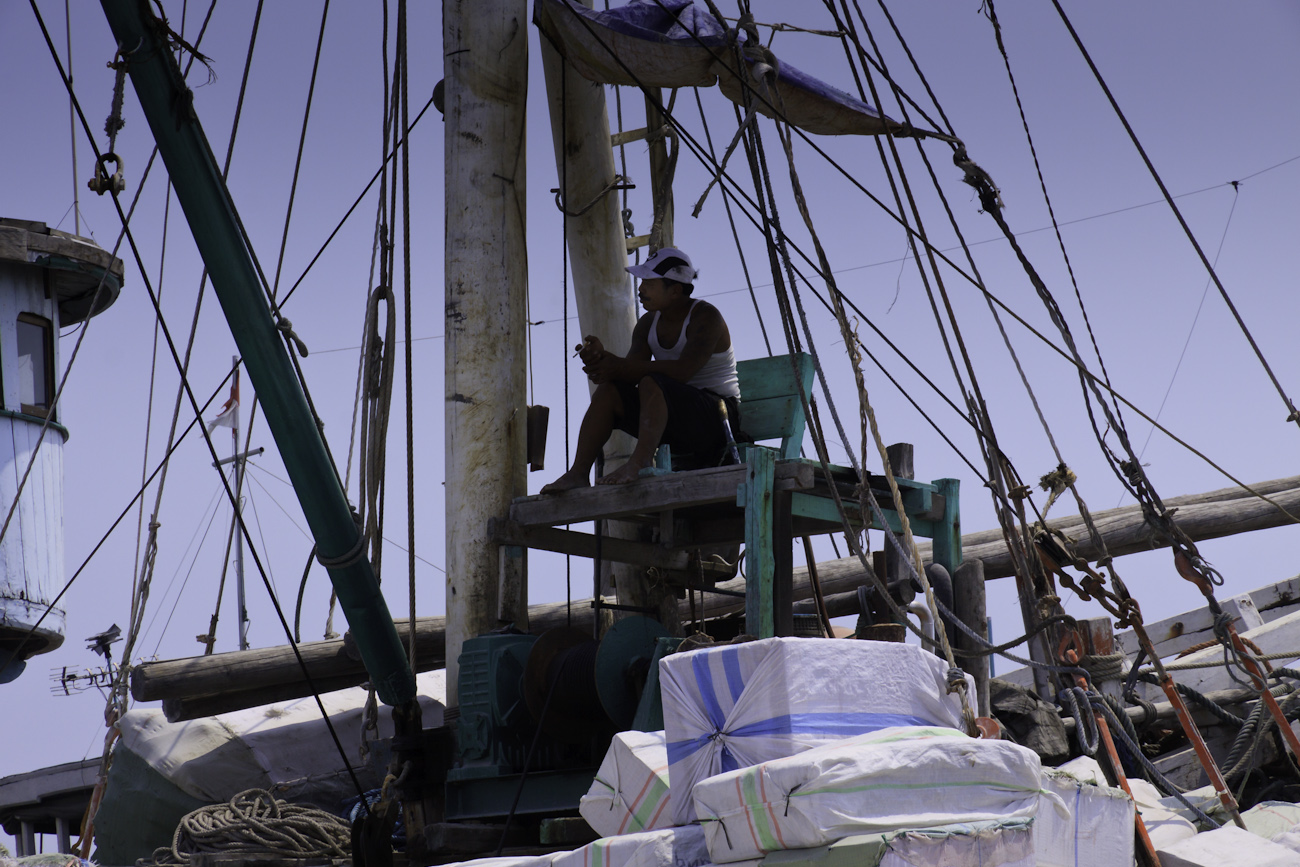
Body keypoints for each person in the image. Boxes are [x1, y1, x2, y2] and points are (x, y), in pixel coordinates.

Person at [541, 246, 741, 493]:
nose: (641, 288)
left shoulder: (706, 317)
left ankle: (640, 461)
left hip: (718, 419)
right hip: (672, 416)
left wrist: (619, 366)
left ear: (675, 291)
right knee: (609, 391)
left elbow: (683, 371)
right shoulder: (648, 323)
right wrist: (602, 363)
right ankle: (578, 473)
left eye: (649, 282)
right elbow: (628, 371)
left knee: (651, 382)